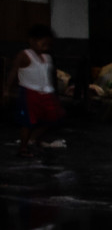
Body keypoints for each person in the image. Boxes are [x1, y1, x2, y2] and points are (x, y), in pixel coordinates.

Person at [4, 24, 66, 157]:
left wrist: (54, 92)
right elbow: (13, 71)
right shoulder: (25, 55)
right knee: (28, 122)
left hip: (47, 93)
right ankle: (23, 148)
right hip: (29, 92)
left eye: (48, 45)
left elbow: (50, 76)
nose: (46, 47)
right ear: (32, 41)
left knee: (54, 117)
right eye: (43, 43)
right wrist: (7, 90)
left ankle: (33, 138)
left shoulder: (47, 58)